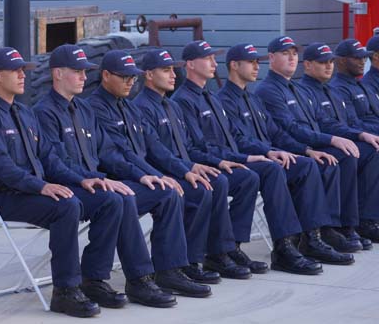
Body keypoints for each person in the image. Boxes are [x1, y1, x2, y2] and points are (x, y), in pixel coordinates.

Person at [32, 45, 195, 305]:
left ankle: (169, 270)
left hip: (97, 183)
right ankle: (132, 278)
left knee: (165, 193)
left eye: (85, 72)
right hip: (71, 187)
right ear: (58, 73)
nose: (84, 77)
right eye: (77, 72)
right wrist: (88, 179)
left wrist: (144, 176)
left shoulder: (84, 110)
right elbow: (53, 162)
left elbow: (110, 152)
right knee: (119, 199)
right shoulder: (44, 112)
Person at [0, 47, 124, 318]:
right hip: (10, 198)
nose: (22, 76)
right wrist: (42, 186)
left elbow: (50, 160)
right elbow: (3, 169)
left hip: (37, 192)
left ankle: (94, 280)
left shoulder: (26, 113)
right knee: (66, 206)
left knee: (109, 199)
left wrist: (85, 179)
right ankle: (65, 291)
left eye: (23, 71)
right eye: (15, 71)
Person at [170, 40, 322, 275]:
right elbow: (198, 146)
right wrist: (248, 158)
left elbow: (238, 136)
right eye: (208, 58)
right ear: (190, 64)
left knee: (302, 165)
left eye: (214, 58)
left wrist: (297, 150)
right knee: (261, 173)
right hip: (210, 164)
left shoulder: (211, 97)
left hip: (232, 159)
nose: (213, 63)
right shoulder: (183, 101)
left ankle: (297, 240)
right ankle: (251, 248)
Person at [215, 44, 353, 268]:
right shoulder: (224, 100)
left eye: (257, 62)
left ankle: (312, 238)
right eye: (251, 62)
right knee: (274, 170)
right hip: (247, 160)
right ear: (234, 65)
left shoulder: (252, 98)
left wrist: (306, 150)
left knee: (308, 164)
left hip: (269, 156)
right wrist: (268, 151)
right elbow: (238, 138)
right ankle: (284, 247)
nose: (256, 67)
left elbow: (276, 133)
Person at [256, 36, 376, 245]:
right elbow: (288, 129)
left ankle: (345, 225)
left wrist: (356, 135)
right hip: (294, 149)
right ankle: (322, 231)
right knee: (331, 160)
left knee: (352, 152)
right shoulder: (268, 90)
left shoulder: (296, 88)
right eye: (286, 54)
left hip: (310, 145)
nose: (292, 59)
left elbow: (322, 121)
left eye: (294, 54)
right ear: (272, 58)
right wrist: (320, 144)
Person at [130, 48, 232, 283]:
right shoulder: (142, 106)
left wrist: (195, 165)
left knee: (212, 183)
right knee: (198, 189)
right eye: (165, 71)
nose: (173, 75)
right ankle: (172, 265)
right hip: (162, 172)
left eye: (173, 70)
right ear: (148, 74)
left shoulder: (172, 106)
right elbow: (156, 151)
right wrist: (186, 170)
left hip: (180, 167)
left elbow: (186, 146)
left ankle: (193, 259)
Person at [295, 41, 379, 247]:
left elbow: (348, 122)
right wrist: (356, 135)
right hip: (315, 147)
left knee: (367, 149)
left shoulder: (328, 89)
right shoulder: (311, 89)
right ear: (307, 65)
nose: (328, 66)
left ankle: (355, 221)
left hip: (335, 141)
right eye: (323, 62)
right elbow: (320, 126)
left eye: (330, 61)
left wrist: (357, 134)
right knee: (359, 153)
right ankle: (347, 223)